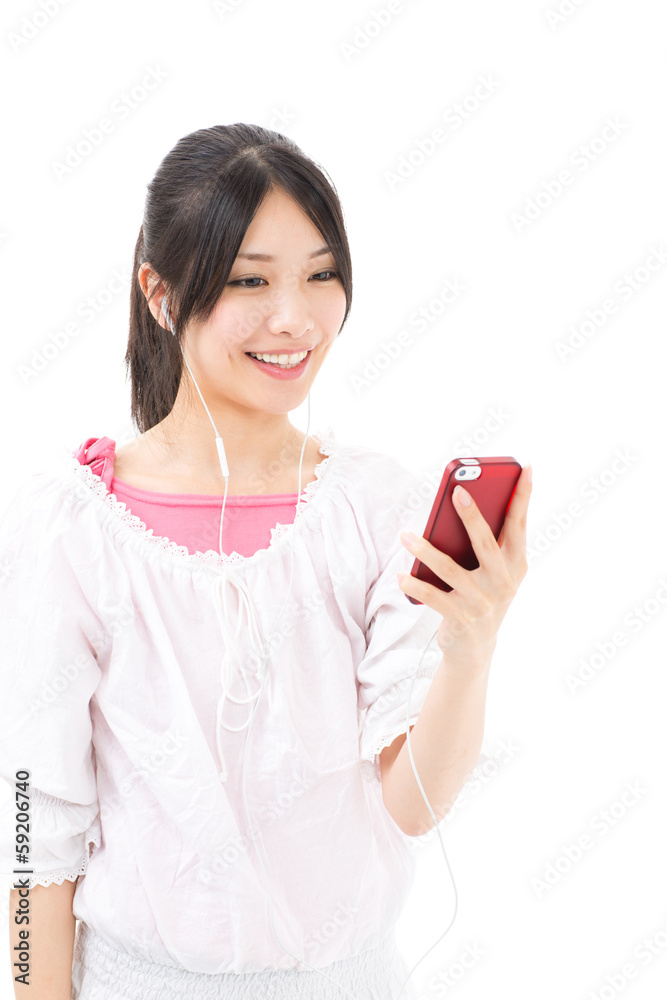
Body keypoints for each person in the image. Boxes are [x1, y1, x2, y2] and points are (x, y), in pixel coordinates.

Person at [0, 123, 531, 999]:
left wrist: (470, 648)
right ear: (160, 293)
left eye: (320, 274)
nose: (295, 318)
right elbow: (33, 827)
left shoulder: (373, 510)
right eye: (250, 280)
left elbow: (414, 805)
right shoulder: (70, 525)